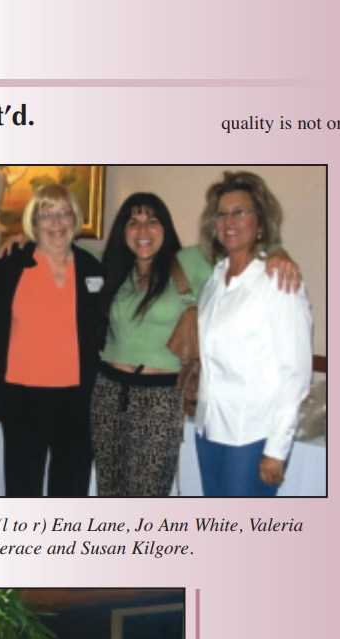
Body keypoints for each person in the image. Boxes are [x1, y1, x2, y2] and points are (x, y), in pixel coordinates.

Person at [91, 192, 302, 497]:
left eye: (152, 221)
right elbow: (65, 247)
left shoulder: (190, 261)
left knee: (147, 494)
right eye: (133, 222)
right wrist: (21, 240)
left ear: (165, 227)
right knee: (108, 489)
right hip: (108, 392)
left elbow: (239, 241)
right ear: (122, 231)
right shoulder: (114, 267)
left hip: (160, 398)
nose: (142, 230)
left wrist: (277, 250)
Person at [195, 172, 312, 497]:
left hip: (252, 436)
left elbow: (295, 371)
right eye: (222, 214)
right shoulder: (214, 280)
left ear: (260, 223)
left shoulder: (277, 280)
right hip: (209, 429)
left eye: (240, 212)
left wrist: (277, 448)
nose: (229, 221)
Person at [0, 184, 103, 495]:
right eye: (46, 215)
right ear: (33, 222)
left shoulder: (92, 266)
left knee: (71, 487)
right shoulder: (9, 265)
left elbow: (103, 325)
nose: (56, 223)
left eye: (64, 213)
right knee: (22, 488)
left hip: (77, 398)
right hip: (21, 397)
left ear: (75, 218)